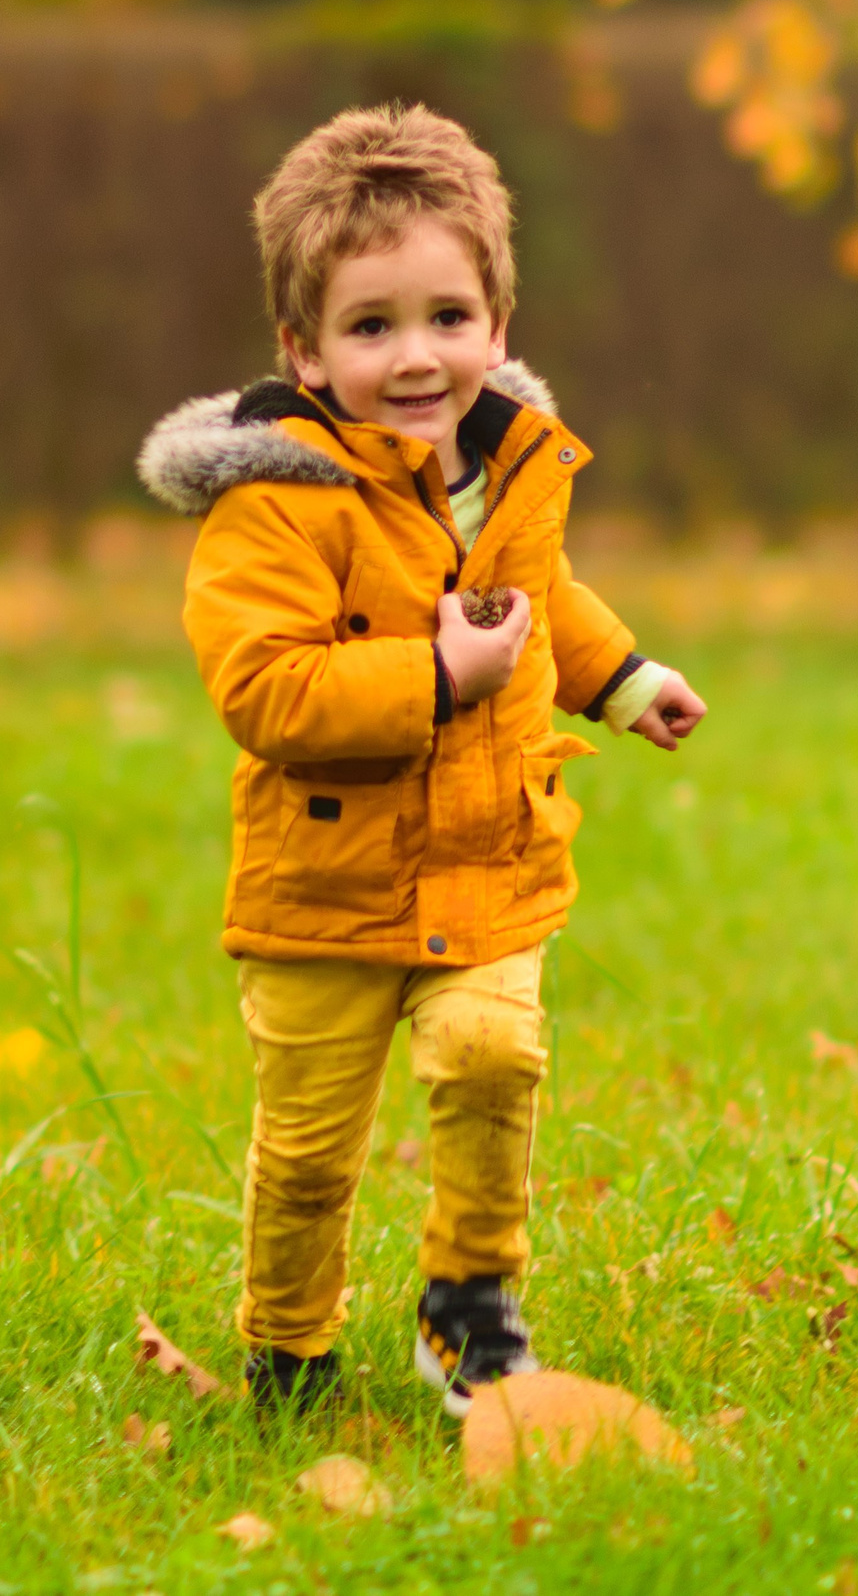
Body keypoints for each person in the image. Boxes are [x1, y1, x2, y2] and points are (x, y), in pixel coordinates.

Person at [136, 103, 707, 1417]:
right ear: (304, 348)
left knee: (494, 1061)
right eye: (371, 325)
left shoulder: (512, 467)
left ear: (499, 324)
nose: (416, 356)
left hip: (486, 854)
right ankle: (289, 1349)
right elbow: (265, 690)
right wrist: (439, 675)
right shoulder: (276, 505)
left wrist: (623, 678)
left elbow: (539, 595)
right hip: (324, 889)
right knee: (308, 1157)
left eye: (449, 317)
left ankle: (470, 1305)